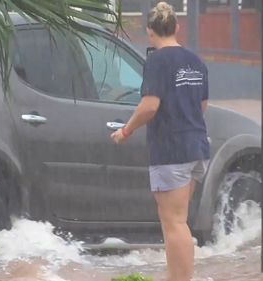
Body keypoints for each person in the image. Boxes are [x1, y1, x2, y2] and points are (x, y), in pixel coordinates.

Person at [110, 2, 210, 281]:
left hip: (171, 151)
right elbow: (202, 106)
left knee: (174, 224)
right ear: (177, 27)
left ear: (150, 31)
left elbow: (150, 106)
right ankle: (175, 277)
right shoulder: (196, 62)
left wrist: (126, 130)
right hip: (197, 149)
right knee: (179, 223)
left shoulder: (156, 61)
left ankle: (181, 279)